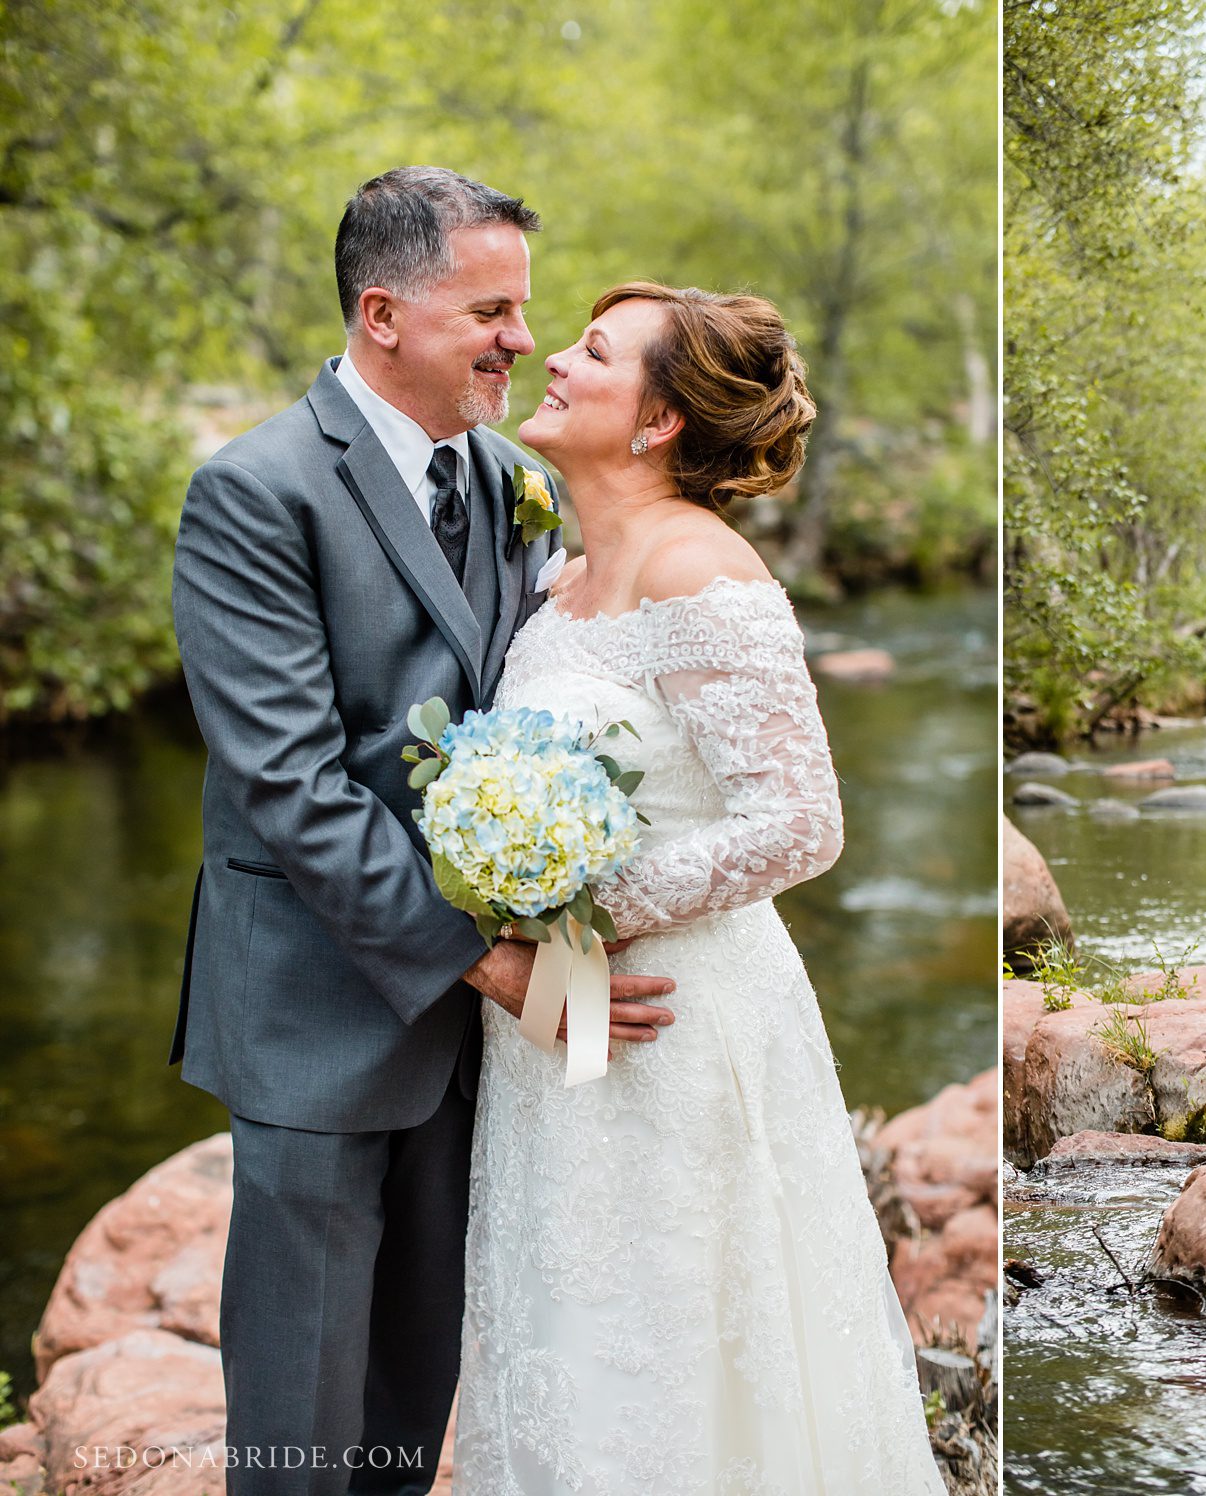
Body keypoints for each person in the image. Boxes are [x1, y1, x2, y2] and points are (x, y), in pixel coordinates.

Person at [170, 167, 676, 1494]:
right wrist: (502, 968)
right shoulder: (255, 493)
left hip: (470, 1050)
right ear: (383, 312)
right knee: (300, 1432)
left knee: (410, 1407)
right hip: (319, 1016)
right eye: (490, 310)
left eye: (525, 308)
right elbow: (294, 787)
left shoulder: (514, 480)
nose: (522, 337)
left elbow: (549, 729)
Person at [450, 281, 946, 1493]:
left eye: (593, 350)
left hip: (673, 1010)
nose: (552, 358)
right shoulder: (561, 577)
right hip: (555, 1012)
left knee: (681, 1323)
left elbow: (800, 823)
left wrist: (572, 913)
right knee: (569, 1312)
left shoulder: (699, 570)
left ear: (661, 419)